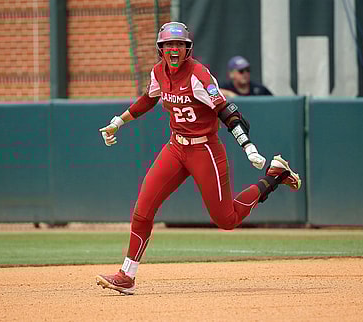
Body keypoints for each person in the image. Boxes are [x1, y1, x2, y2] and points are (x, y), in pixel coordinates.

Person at [96, 22, 301, 295]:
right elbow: (148, 99)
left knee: (226, 219)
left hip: (205, 149)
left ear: (187, 48)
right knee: (142, 209)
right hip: (176, 147)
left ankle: (274, 175)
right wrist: (118, 121)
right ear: (161, 49)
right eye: (169, 45)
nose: (174, 50)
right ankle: (127, 275)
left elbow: (227, 112)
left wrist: (247, 145)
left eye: (179, 45)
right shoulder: (159, 72)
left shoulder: (198, 75)